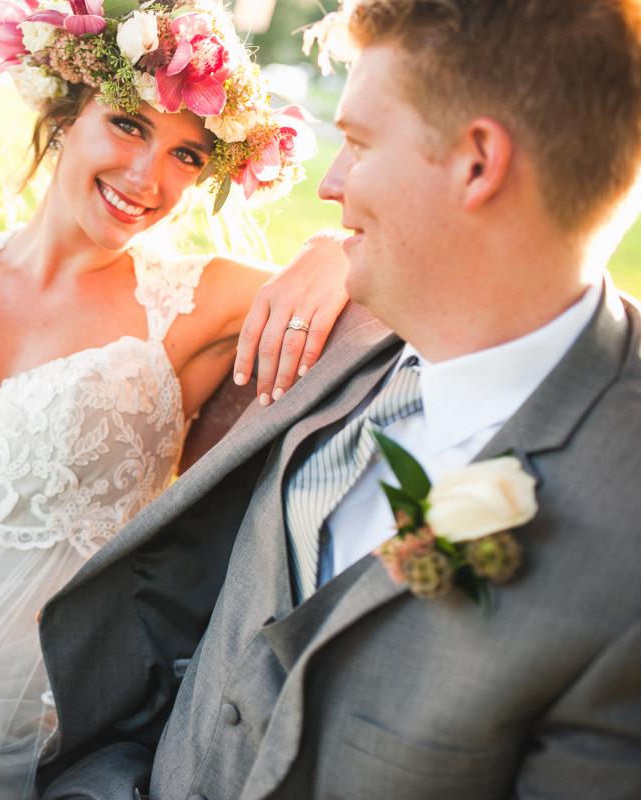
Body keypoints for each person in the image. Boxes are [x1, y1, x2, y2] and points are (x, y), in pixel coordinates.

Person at [36, 0, 641, 798]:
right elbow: (176, 622)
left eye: (356, 143)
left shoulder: (621, 549)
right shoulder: (340, 334)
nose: (328, 185)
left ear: (477, 163)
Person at [0, 1, 352, 796]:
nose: (148, 178)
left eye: (188, 155)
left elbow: (390, 275)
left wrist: (331, 249)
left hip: (15, 707)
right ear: (66, 114)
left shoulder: (198, 302)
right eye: (128, 125)